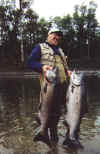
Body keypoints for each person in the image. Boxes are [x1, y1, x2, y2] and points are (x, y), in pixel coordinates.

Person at [27, 28, 69, 144]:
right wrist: (41, 67)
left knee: (62, 114)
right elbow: (30, 62)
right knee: (50, 114)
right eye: (54, 34)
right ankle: (52, 139)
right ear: (48, 35)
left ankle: (62, 141)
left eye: (59, 36)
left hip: (64, 88)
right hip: (50, 88)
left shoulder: (60, 50)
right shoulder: (39, 47)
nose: (57, 37)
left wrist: (68, 72)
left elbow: (63, 67)